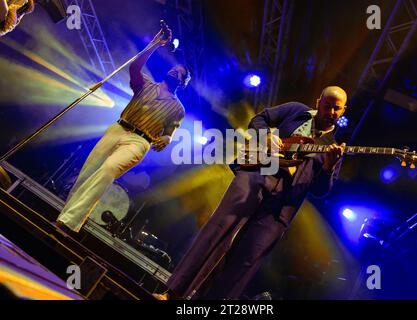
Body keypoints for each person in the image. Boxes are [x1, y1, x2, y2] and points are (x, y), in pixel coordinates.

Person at [158, 86, 347, 300]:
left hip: (282, 203)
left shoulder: (332, 147)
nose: (331, 112)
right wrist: (266, 137)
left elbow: (321, 191)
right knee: (217, 230)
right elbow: (259, 119)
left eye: (336, 108)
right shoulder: (297, 111)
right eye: (327, 106)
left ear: (343, 110)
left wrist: (329, 166)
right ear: (318, 102)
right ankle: (173, 293)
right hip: (258, 172)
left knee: (248, 258)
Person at [56, 25, 191, 233]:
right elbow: (135, 68)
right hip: (118, 128)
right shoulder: (146, 85)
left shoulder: (178, 109)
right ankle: (63, 218)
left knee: (109, 169)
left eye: (179, 74)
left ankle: (69, 223)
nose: (174, 71)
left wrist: (166, 139)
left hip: (139, 141)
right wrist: (155, 44)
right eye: (174, 69)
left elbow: (168, 133)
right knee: (88, 172)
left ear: (182, 83)